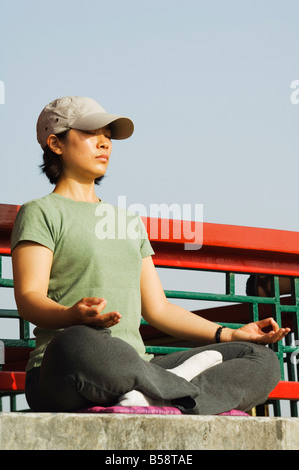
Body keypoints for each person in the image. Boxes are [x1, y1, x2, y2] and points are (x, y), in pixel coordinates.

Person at [11, 96, 290, 414]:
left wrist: (228, 333)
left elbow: (158, 309)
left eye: (108, 135)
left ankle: (155, 396)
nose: (105, 143)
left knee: (260, 359)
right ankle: (176, 396)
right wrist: (71, 316)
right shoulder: (40, 212)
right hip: (70, 369)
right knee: (78, 343)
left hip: (137, 367)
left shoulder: (127, 221)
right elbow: (29, 299)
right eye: (91, 133)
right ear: (55, 144)